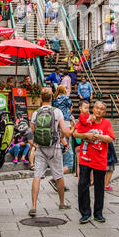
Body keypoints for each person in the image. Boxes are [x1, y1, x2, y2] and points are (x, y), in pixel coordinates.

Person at [28, 87, 76, 217]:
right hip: (54, 147)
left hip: (41, 148)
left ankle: (33, 206)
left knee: (37, 176)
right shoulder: (57, 112)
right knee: (59, 175)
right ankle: (61, 202)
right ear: (51, 98)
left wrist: (36, 143)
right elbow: (65, 132)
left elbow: (31, 131)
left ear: (40, 98)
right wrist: (73, 128)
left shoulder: (36, 113)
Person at [74, 101, 115, 224]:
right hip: (86, 158)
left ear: (104, 112)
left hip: (100, 159)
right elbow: (75, 133)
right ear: (93, 109)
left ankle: (98, 213)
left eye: (101, 109)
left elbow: (110, 138)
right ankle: (85, 213)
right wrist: (86, 135)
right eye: (96, 108)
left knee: (99, 187)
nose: (98, 110)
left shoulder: (106, 123)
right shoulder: (87, 120)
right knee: (83, 185)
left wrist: (98, 137)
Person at [53, 85, 73, 153]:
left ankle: (64, 146)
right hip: (65, 117)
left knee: (60, 135)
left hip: (58, 117)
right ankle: (67, 147)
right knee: (68, 134)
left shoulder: (55, 99)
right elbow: (70, 107)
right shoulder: (66, 98)